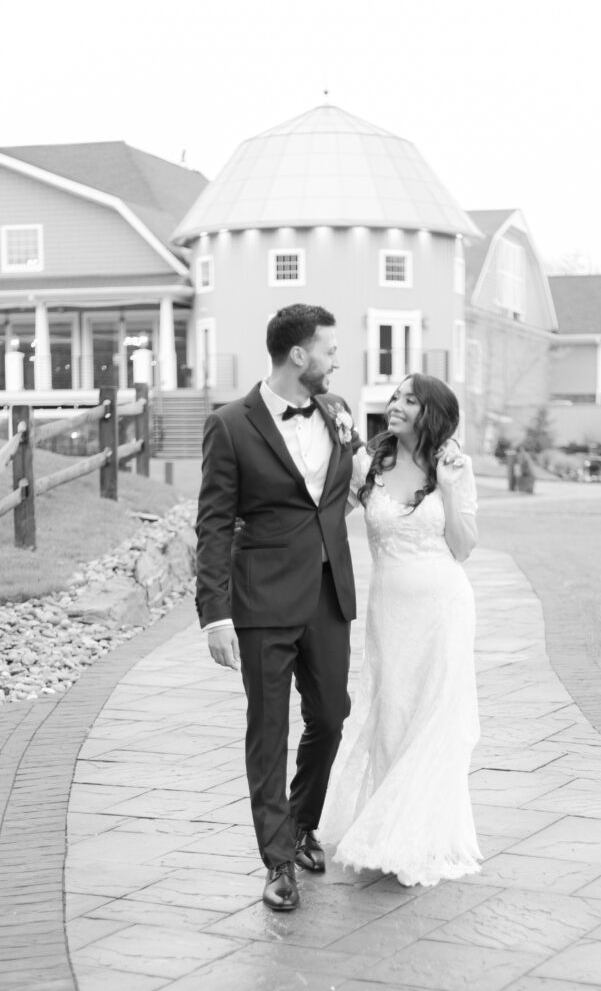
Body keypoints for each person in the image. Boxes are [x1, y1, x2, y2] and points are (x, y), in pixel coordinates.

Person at [195, 304, 362, 912]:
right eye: (330, 348)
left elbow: (357, 485)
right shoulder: (230, 425)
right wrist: (215, 614)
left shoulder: (338, 413)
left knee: (333, 715)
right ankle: (277, 861)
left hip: (327, 595)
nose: (337, 359)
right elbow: (212, 524)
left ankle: (300, 821)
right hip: (262, 601)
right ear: (299, 355)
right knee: (267, 731)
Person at [319, 373, 482, 887]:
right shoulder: (367, 463)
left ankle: (421, 833)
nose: (395, 404)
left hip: (444, 607)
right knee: (392, 712)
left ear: (430, 412)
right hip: (390, 610)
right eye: (395, 396)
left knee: (435, 716)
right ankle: (387, 822)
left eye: (409, 399)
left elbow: (463, 546)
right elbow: (325, 514)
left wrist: (452, 490)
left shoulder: (454, 465)